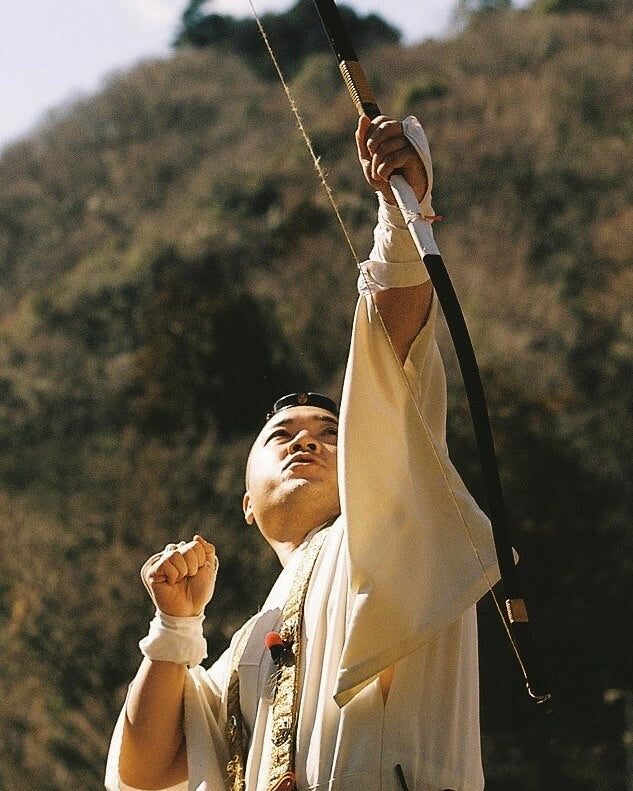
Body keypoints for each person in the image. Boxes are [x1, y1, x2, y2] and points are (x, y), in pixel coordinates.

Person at [105, 113, 499, 791]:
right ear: (247, 505)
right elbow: (145, 771)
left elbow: (392, 365)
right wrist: (175, 625)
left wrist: (399, 210)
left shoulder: (394, 522)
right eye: (280, 435)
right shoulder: (246, 644)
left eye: (328, 430)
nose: (307, 438)